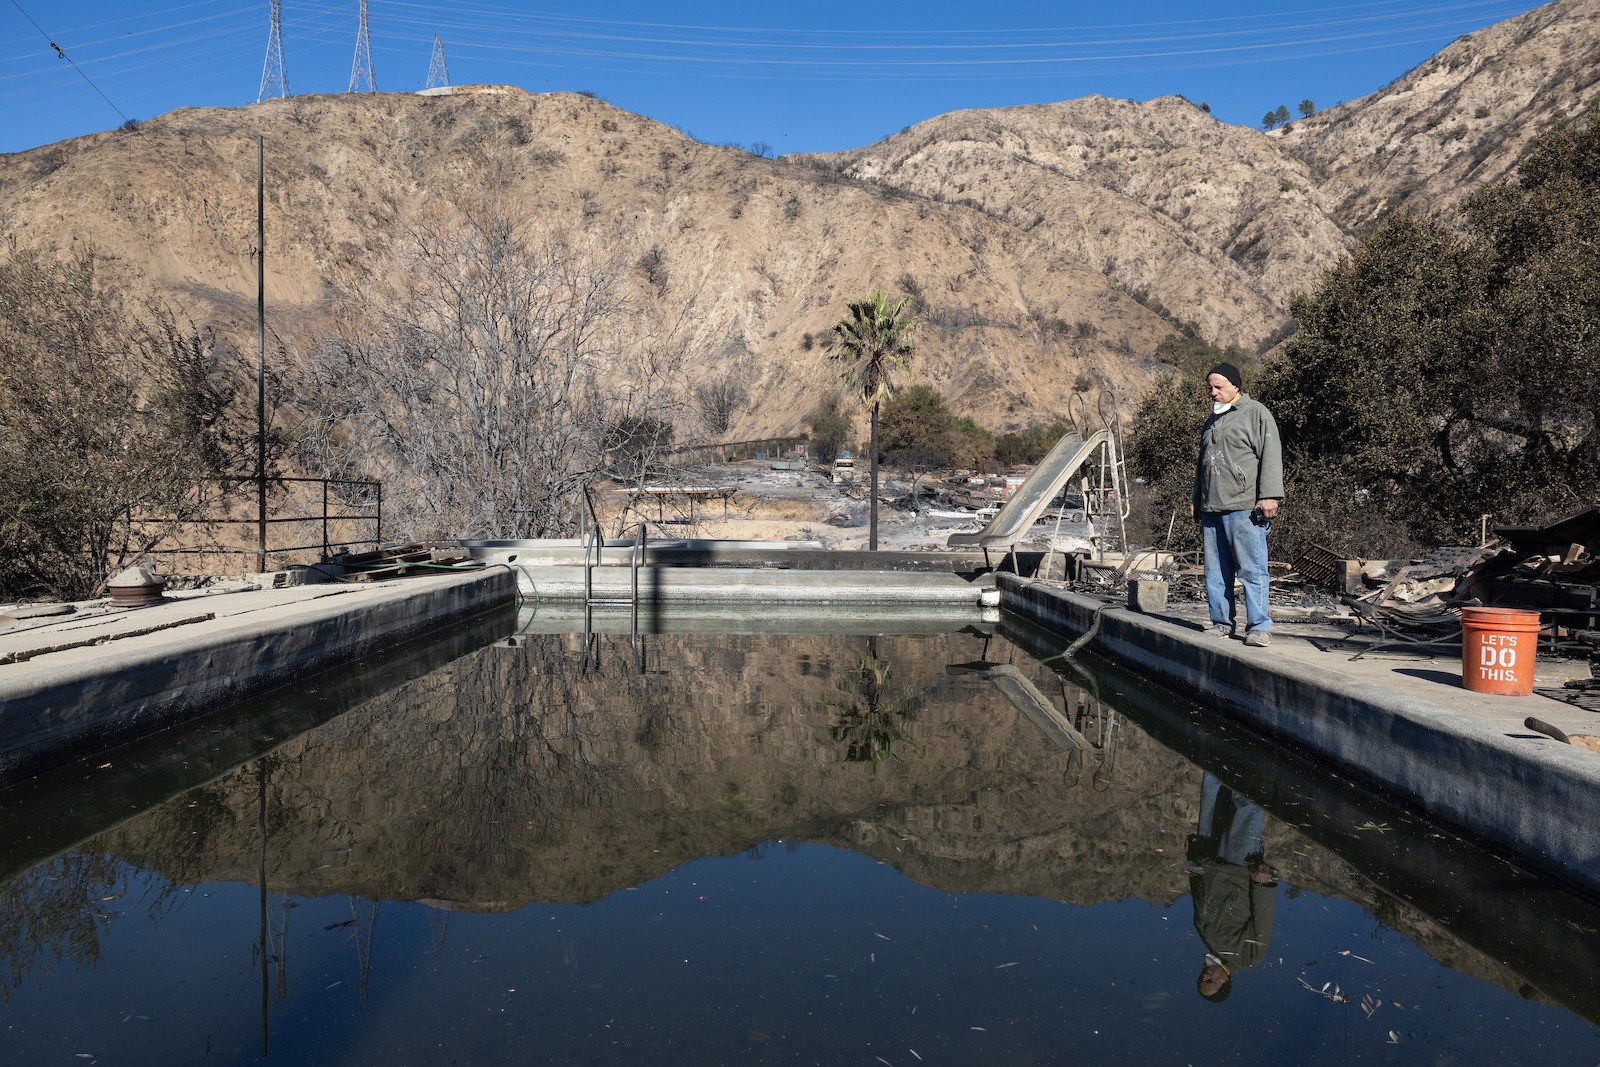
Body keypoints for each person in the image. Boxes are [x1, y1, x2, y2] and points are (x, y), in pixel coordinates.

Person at [1191, 362, 1283, 647]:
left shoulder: (1256, 413)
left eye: (1219, 386)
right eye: (1210, 387)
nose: (1213, 392)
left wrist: (1269, 495)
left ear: (1235, 386)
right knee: (1216, 571)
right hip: (1212, 508)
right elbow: (1202, 464)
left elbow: (1270, 454)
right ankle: (1221, 624)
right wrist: (1196, 498)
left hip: (1245, 507)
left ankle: (1258, 627)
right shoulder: (1213, 419)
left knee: (1252, 569)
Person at [1187, 774, 1278, 1003]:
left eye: (1201, 979)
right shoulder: (1248, 959)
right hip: (1238, 865)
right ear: (1225, 981)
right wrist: (1261, 884)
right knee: (1248, 802)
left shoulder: (1205, 937)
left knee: (1212, 786)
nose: (1205, 975)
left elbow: (1198, 892)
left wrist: (1191, 859)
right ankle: (1257, 750)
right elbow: (1263, 920)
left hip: (1208, 857)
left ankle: (1221, 741)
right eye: (1209, 982)